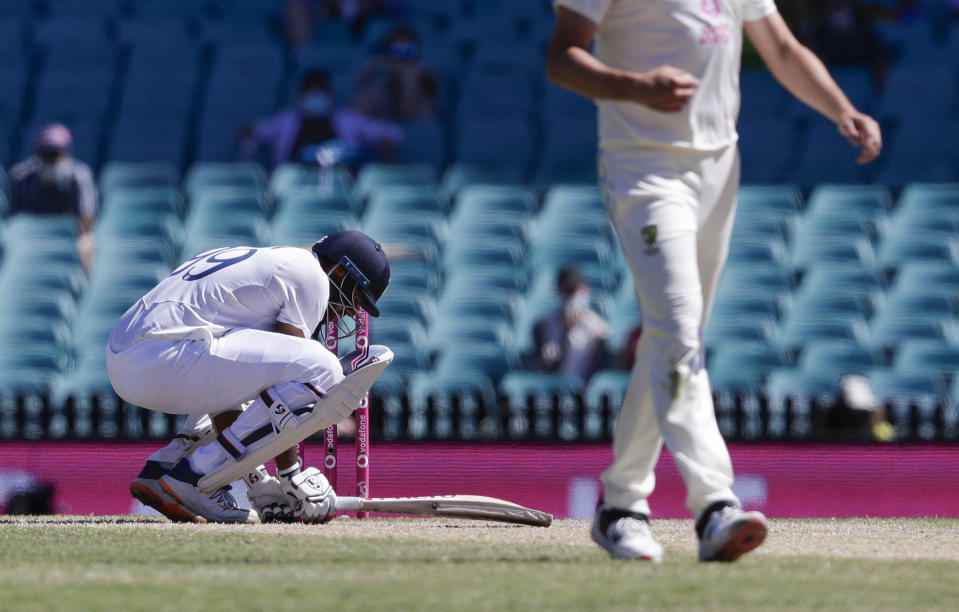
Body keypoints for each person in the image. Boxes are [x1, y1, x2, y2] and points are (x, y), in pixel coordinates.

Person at [546, 0, 882, 562]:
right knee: (677, 332)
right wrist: (633, 86)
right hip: (644, 166)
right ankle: (715, 505)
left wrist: (841, 109)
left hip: (719, 167)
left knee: (670, 341)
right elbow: (562, 58)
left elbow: (781, 48)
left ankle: (621, 507)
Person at [107, 230, 391, 523]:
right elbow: (287, 384)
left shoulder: (273, 264)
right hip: (162, 354)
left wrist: (259, 482)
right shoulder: (311, 276)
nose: (348, 312)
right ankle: (194, 477)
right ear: (340, 270)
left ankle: (166, 468)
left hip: (130, 356)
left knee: (254, 383)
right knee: (325, 369)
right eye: (355, 296)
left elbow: (228, 392)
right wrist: (291, 478)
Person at [239, 69, 403, 170]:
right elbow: (254, 131)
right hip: (293, 184)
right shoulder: (285, 120)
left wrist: (386, 144)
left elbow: (391, 133)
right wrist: (248, 137)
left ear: (330, 96)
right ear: (300, 96)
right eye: (310, 92)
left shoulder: (349, 119)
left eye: (320, 92)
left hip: (343, 183)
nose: (315, 97)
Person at [8, 124, 98, 273]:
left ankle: (81, 283)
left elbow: (86, 220)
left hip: (69, 236)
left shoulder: (80, 177)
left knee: (87, 243)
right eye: (45, 154)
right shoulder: (22, 177)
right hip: (32, 235)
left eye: (54, 154)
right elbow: (15, 220)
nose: (49, 160)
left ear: (65, 153)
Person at [532, 264, 610, 387]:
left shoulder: (598, 327)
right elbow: (544, 369)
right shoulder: (544, 326)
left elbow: (605, 366)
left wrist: (601, 335)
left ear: (585, 290)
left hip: (588, 392)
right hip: (556, 393)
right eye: (566, 291)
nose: (570, 297)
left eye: (574, 291)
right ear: (559, 292)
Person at [353, 24, 439, 121]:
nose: (403, 54)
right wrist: (376, 64)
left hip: (416, 115)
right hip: (383, 115)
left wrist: (413, 72)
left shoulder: (423, 69)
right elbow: (360, 82)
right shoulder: (381, 66)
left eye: (408, 49)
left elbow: (435, 91)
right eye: (397, 49)